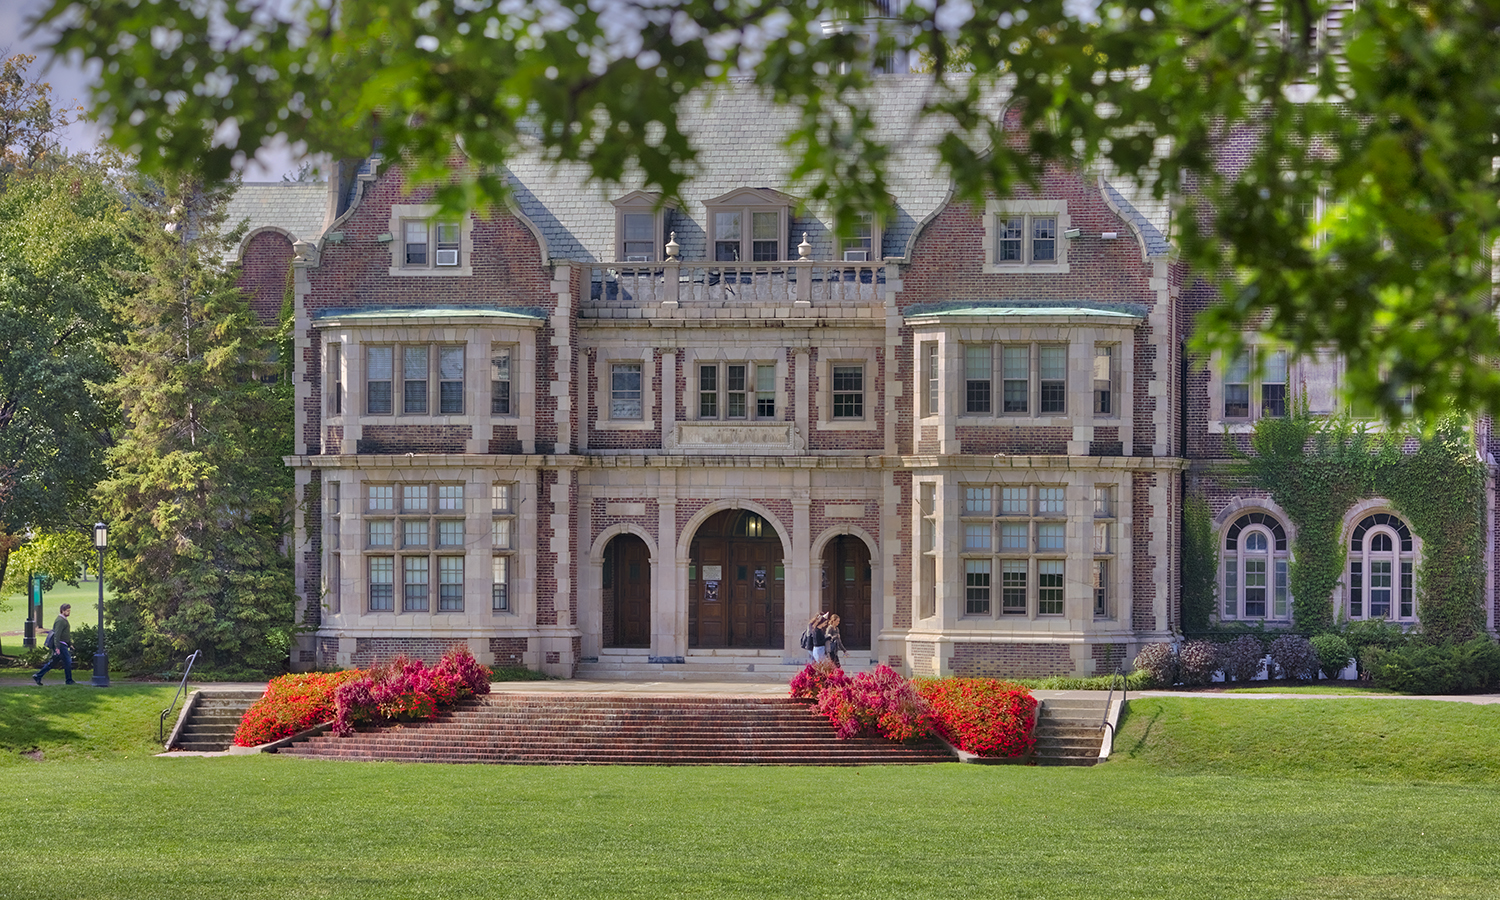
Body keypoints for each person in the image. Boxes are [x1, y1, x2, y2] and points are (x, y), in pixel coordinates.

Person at [33, 604, 75, 685]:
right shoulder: (60, 621)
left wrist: (70, 644)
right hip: (61, 645)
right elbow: (57, 635)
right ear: (62, 611)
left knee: (53, 662)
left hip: (63, 644)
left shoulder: (63, 620)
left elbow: (65, 634)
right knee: (68, 661)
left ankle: (38, 676)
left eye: (69, 611)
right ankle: (69, 680)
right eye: (67, 611)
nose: (69, 612)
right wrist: (57, 647)